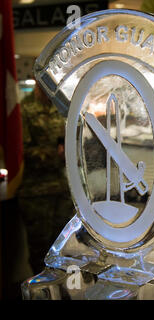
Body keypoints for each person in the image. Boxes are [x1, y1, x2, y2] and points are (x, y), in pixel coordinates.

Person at [17, 83, 73, 274]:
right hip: (36, 192)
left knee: (64, 247)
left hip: (61, 189)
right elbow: (19, 152)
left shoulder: (59, 107)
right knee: (40, 250)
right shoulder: (24, 109)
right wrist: (54, 154)